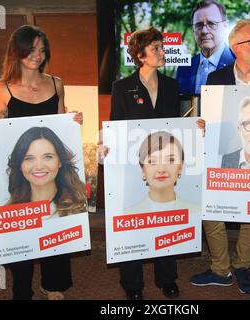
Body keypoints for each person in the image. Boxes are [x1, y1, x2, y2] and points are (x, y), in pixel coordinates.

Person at [0, 25, 83, 300]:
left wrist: (74, 121)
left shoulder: (56, 84)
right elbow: (2, 135)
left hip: (51, 173)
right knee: (23, 229)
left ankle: (52, 284)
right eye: (31, 49)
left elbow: (60, 128)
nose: (37, 55)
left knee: (55, 222)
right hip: (26, 173)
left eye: (42, 50)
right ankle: (23, 287)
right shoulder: (3, 89)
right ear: (17, 51)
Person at [190, 19, 250, 294]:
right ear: (235, 47)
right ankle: (221, 269)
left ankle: (242, 265)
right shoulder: (216, 79)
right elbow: (207, 117)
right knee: (211, 209)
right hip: (224, 154)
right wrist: (202, 124)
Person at [108, 27, 181, 300]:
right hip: (133, 167)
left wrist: (194, 127)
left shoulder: (172, 87)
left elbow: (177, 130)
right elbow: (116, 128)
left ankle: (167, 278)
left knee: (165, 220)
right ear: (140, 55)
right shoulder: (121, 88)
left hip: (164, 168)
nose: (163, 52)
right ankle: (132, 285)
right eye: (156, 49)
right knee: (134, 224)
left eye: (163, 47)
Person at [7, 126, 86, 221]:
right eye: (29, 158)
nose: (39, 166)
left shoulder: (78, 209)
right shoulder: (8, 215)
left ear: (59, 161)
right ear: (20, 165)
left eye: (48, 157)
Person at [125, 131, 200, 214]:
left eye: (170, 160)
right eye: (152, 161)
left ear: (180, 166)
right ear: (143, 169)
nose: (161, 169)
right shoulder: (126, 215)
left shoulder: (196, 212)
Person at [176, 0, 235, 95]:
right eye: (198, 25)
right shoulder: (184, 69)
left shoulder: (238, 64)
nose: (204, 31)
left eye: (211, 24)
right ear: (193, 30)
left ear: (225, 26)